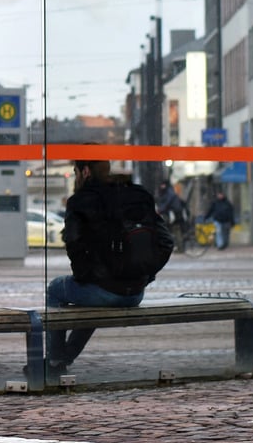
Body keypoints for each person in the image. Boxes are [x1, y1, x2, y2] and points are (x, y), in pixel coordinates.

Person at [44, 159, 173, 380]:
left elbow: (73, 244)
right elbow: (166, 242)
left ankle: (56, 361)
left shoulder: (81, 201)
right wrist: (145, 275)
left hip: (104, 291)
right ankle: (63, 358)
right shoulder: (138, 195)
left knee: (56, 289)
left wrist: (86, 276)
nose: (76, 176)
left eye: (76, 171)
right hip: (135, 293)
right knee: (90, 299)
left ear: (85, 171)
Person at [156, 182, 189, 250]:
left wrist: (160, 210)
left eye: (163, 185)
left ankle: (180, 247)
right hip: (177, 212)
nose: (162, 186)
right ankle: (179, 246)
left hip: (176, 213)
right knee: (176, 229)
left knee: (175, 229)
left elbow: (167, 203)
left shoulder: (169, 193)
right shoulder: (170, 192)